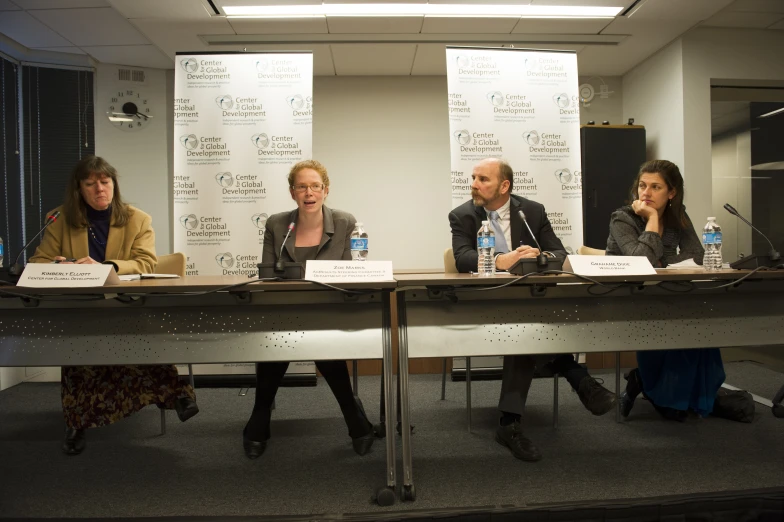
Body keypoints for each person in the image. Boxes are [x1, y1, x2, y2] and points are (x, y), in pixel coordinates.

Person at [449, 157, 616, 462]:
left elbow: (560, 253)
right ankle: (579, 378)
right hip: (483, 303)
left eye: (483, 179)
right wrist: (502, 259)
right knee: (527, 327)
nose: (473, 184)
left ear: (504, 186)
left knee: (525, 327)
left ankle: (509, 423)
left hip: (528, 302)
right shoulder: (462, 215)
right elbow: (462, 258)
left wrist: (539, 254)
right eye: (473, 178)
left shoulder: (532, 211)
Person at [29, 156, 198, 455]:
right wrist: (59, 263)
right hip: (82, 308)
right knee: (79, 346)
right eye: (90, 183)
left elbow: (146, 262)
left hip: (126, 303)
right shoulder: (59, 218)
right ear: (79, 189)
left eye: (105, 182)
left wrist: (106, 266)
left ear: (113, 185)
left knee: (140, 334)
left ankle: (175, 394)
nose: (99, 189)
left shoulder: (137, 218)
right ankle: (77, 422)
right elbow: (38, 262)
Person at [242, 159, 375, 459]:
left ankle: (258, 422)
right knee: (280, 343)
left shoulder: (344, 222)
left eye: (315, 186)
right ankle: (356, 423)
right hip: (284, 310)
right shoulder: (278, 224)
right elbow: (267, 275)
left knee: (318, 345)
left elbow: (351, 276)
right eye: (301, 186)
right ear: (292, 192)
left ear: (326, 191)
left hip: (329, 312)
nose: (309, 192)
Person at [606, 159, 726, 421]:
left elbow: (697, 254)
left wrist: (662, 263)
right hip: (628, 298)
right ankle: (659, 388)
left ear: (671, 193)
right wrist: (651, 219)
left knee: (701, 323)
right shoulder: (623, 218)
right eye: (642, 186)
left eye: (655, 187)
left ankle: (683, 394)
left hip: (669, 293)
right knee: (678, 318)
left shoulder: (678, 215)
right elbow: (641, 262)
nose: (646, 193)